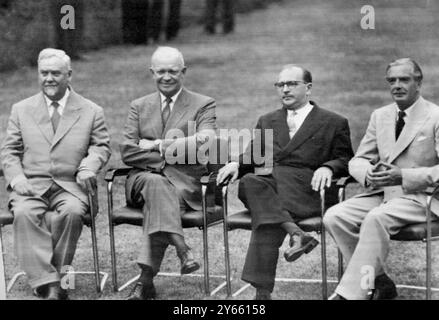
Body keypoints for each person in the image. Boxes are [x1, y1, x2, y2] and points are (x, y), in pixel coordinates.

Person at [217, 64, 353, 300]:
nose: (285, 90)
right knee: (249, 181)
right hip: (275, 191)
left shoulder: (333, 122)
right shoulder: (267, 120)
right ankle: (295, 233)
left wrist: (327, 167)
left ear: (308, 88)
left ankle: (262, 292)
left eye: (292, 84)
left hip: (310, 191)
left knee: (265, 213)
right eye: (280, 85)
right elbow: (253, 158)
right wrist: (236, 164)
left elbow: (345, 158)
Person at [323, 58, 439, 300]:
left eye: (404, 79)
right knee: (335, 216)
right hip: (384, 194)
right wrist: (368, 173)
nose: (396, 85)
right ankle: (379, 281)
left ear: (418, 83)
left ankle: (352, 295)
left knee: (376, 218)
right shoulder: (381, 115)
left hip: (423, 198)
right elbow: (358, 160)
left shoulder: (435, 116)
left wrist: (403, 175)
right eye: (392, 80)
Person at [0, 48, 111, 300]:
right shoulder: (21, 109)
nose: (49, 78)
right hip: (32, 184)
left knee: (72, 213)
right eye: (44, 73)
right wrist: (17, 179)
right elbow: (9, 151)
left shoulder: (91, 110)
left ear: (69, 75)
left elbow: (101, 146)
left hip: (71, 185)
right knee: (24, 213)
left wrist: (87, 167)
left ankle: (50, 280)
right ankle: (52, 283)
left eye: (55, 73)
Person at [120, 46, 217, 300]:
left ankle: (145, 281)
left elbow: (206, 139)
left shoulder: (203, 104)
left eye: (173, 71)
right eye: (160, 71)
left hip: (183, 183)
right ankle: (182, 248)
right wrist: (174, 154)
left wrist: (158, 145)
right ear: (152, 72)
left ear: (183, 72)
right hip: (141, 181)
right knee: (155, 183)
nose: (166, 76)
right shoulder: (138, 106)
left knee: (159, 192)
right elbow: (128, 152)